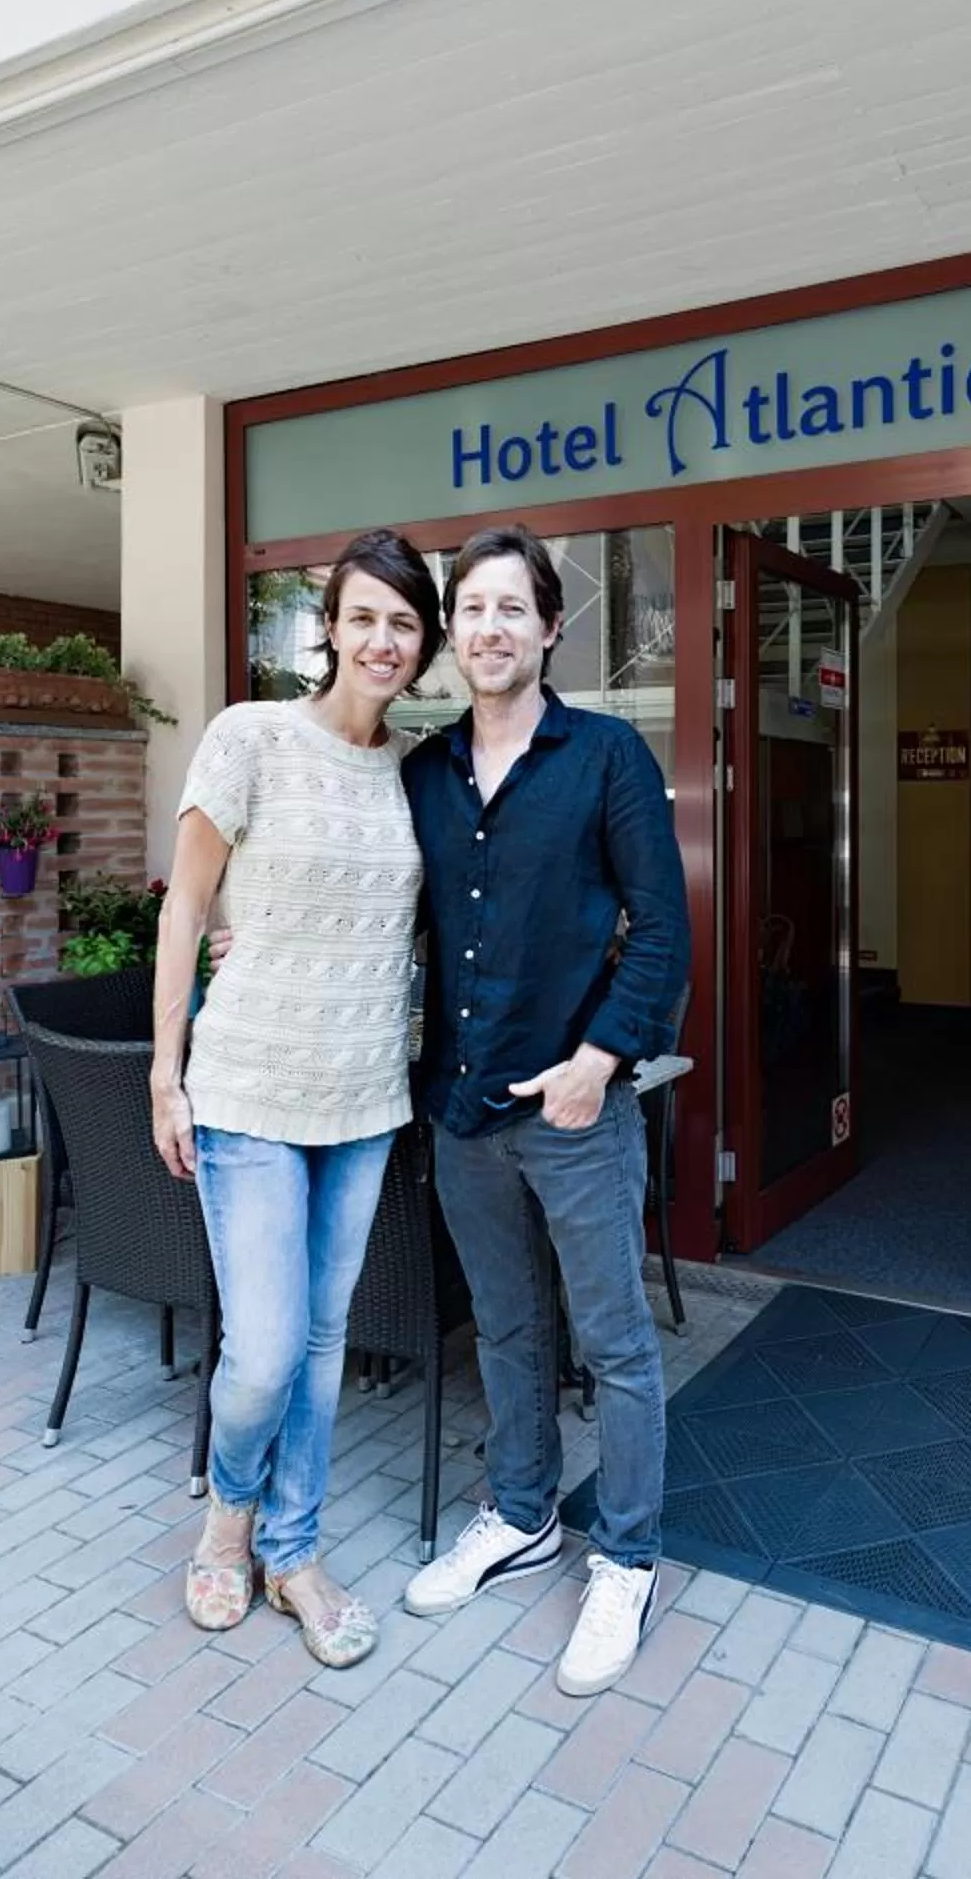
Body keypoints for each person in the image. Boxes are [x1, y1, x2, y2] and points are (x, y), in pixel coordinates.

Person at [398, 524, 688, 1697]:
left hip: (574, 1114)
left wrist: (597, 1060)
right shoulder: (424, 773)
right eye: (472, 608)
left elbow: (663, 930)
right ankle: (521, 1515)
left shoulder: (606, 756)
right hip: (462, 1109)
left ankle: (627, 1556)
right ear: (451, 631)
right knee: (508, 1329)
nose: (490, 627)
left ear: (550, 627)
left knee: (614, 1343)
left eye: (512, 607)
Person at [149, 528, 443, 1669]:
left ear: (423, 645)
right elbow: (186, 907)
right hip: (249, 1088)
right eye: (363, 617)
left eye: (403, 624)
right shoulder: (250, 736)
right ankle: (228, 1519)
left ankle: (294, 1550)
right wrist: (165, 1072)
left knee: (324, 1342)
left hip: (364, 1094)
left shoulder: (416, 770)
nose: (382, 640)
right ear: (330, 627)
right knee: (265, 1349)